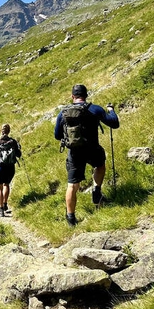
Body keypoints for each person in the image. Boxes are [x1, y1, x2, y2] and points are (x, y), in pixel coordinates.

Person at [54, 84, 119, 226]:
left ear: (72, 97)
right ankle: (96, 191)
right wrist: (111, 110)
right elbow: (114, 123)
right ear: (86, 95)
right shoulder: (94, 109)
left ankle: (71, 218)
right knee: (100, 164)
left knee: (72, 185)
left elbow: (57, 135)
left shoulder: (63, 112)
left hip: (74, 152)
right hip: (92, 148)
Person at [0, 123, 21, 217]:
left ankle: (0, 208)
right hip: (10, 167)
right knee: (7, 184)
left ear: (1, 130)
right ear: (9, 131)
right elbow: (19, 154)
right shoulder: (13, 141)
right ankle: (5, 204)